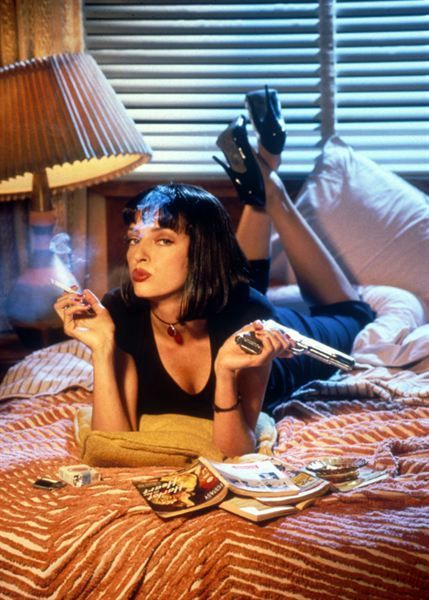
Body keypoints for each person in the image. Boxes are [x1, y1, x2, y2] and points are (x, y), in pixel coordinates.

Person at [53, 89, 375, 458]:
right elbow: (112, 447)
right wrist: (102, 348)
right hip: (222, 294)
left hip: (263, 332)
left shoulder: (252, 315)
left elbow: (236, 454)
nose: (138, 254)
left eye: (163, 240)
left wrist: (225, 371)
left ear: (200, 253)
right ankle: (263, 178)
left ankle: (272, 192)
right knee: (239, 282)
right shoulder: (120, 314)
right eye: (133, 239)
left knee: (355, 314)